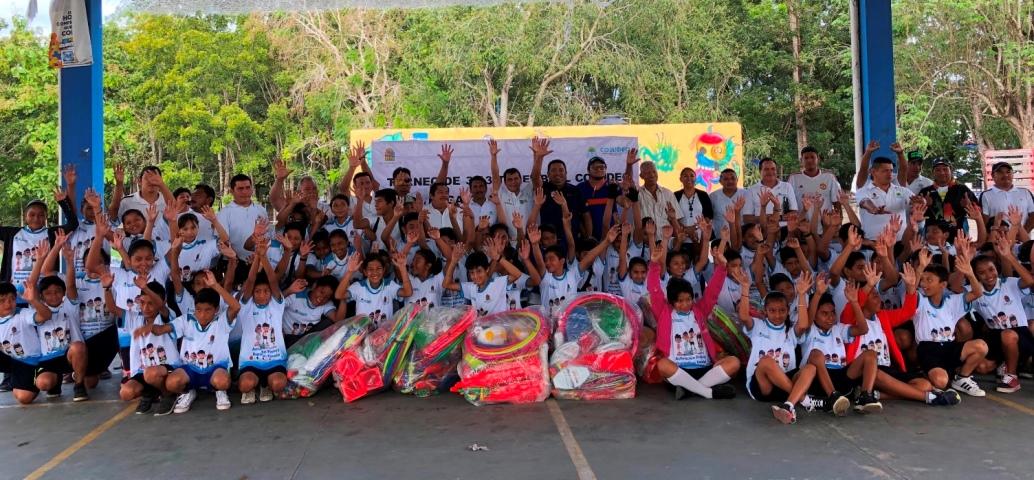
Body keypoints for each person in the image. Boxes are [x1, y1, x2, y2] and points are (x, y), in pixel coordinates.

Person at [840, 262, 963, 407]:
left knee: (924, 384)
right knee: (875, 367)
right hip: (861, 372)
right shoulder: (850, 318)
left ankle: (878, 395)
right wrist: (868, 286)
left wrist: (911, 288)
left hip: (887, 369)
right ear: (862, 300)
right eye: (873, 296)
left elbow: (908, 312)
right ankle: (930, 398)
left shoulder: (883, 316)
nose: (879, 298)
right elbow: (854, 303)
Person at [647, 236, 739, 400]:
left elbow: (712, 292)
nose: (685, 304)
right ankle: (707, 392)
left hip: (704, 367)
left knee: (734, 363)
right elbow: (654, 291)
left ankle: (689, 390)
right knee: (662, 365)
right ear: (672, 302)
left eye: (688, 299)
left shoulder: (699, 310)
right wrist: (654, 265)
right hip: (678, 369)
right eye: (680, 301)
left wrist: (722, 266)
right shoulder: (664, 312)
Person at [734, 267, 822, 425]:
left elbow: (803, 324)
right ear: (765, 311)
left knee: (811, 368)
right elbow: (743, 316)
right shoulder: (758, 327)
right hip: (763, 387)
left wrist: (801, 295)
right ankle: (805, 400)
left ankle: (788, 405)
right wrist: (745, 288)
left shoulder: (790, 331)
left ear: (788, 311)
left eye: (782, 310)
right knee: (767, 361)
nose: (777, 314)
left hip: (784, 385)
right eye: (772, 311)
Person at [913, 250, 990, 396]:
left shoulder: (952, 301)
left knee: (981, 346)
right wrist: (920, 269)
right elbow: (911, 290)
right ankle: (929, 374)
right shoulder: (920, 301)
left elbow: (977, 293)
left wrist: (969, 272)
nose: (923, 284)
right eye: (923, 280)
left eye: (929, 280)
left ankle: (962, 378)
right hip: (928, 349)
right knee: (941, 382)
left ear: (942, 285)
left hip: (950, 347)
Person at [164, 272, 241, 413]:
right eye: (199, 310)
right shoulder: (187, 319)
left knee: (222, 381)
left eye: (207, 310)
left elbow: (235, 307)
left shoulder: (222, 321)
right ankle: (188, 392)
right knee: (171, 383)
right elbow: (165, 328)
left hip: (215, 369)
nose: (202, 314)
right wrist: (150, 329)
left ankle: (220, 391)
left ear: (216, 310)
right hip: (190, 370)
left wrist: (215, 285)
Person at [238, 241, 301, 404]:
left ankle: (264, 385)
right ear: (252, 293)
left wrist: (263, 257)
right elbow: (251, 280)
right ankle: (254, 386)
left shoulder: (276, 305)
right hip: (250, 360)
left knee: (278, 384)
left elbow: (273, 280)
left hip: (275, 360)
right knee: (245, 384)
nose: (262, 294)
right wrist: (257, 258)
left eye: (266, 291)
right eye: (257, 291)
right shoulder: (246, 306)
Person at [969, 236, 1034, 393]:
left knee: (1008, 334)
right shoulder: (976, 292)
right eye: (981, 273)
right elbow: (956, 288)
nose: (988, 275)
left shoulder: (1009, 283)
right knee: (982, 367)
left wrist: (1009, 256)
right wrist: (965, 265)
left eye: (991, 269)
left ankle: (1011, 377)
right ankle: (1007, 363)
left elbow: (1030, 281)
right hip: (996, 336)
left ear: (996, 268)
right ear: (976, 275)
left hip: (1020, 335)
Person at [108, 277, 180, 416]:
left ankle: (168, 395)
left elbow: (161, 307)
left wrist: (146, 288)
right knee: (126, 393)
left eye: (151, 303)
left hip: (167, 369)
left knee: (151, 374)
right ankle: (150, 393)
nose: (146, 307)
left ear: (161, 302)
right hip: (143, 372)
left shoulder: (168, 316)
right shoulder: (134, 318)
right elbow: (112, 308)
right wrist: (107, 288)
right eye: (142, 302)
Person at [530, 137, 588, 243]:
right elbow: (535, 177)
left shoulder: (575, 190)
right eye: (553, 170)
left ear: (566, 173)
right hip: (548, 241)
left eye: (561, 170)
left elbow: (585, 215)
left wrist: (588, 236)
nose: (558, 173)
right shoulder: (543, 189)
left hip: (572, 240)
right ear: (548, 174)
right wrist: (539, 158)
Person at [0, 281, 47, 404]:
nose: (8, 304)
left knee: (23, 397)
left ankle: (38, 379)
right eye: (2, 300)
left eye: (12, 299)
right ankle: (14, 380)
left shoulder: (23, 314)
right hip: (12, 361)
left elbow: (45, 316)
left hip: (30, 362)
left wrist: (33, 301)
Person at [854, 157, 913, 241]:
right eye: (885, 171)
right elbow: (864, 202)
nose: (889, 174)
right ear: (873, 172)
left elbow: (915, 201)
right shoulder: (863, 191)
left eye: (891, 171)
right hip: (874, 243)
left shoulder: (902, 190)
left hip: (900, 242)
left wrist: (921, 202)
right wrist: (874, 209)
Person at [917, 159, 979, 232]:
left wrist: (969, 206)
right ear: (933, 173)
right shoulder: (925, 192)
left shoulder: (962, 190)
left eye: (945, 169)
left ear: (951, 171)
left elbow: (978, 211)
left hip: (959, 238)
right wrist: (924, 205)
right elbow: (916, 214)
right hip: (932, 238)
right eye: (938, 170)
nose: (942, 173)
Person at [218, 174, 269, 263]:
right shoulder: (224, 213)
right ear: (232, 191)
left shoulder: (261, 210)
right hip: (235, 263)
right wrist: (235, 259)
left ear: (252, 189)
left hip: (261, 261)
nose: (245, 192)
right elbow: (223, 241)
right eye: (240, 189)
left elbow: (267, 235)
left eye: (248, 188)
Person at [980, 162, 1034, 232]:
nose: (1005, 175)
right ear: (993, 175)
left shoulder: (1025, 193)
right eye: (1000, 172)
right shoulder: (986, 195)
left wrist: (1023, 234)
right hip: (998, 241)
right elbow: (984, 221)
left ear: (1012, 175)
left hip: (1024, 241)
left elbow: (1033, 215)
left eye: (1008, 172)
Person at [787, 146, 841, 213]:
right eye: (806, 158)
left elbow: (837, 202)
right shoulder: (794, 178)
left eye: (812, 157)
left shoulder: (829, 177)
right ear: (801, 160)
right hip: (802, 222)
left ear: (818, 159)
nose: (809, 160)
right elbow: (789, 204)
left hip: (825, 223)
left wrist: (839, 220)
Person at [743, 158, 797, 225]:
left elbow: (794, 212)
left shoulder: (787, 187)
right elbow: (746, 218)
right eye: (766, 169)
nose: (770, 172)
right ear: (760, 171)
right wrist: (770, 218)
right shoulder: (751, 190)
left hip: (784, 230)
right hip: (761, 231)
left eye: (773, 169)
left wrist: (777, 217)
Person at [636, 161, 681, 232]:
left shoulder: (668, 193)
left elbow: (677, 221)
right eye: (648, 173)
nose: (652, 175)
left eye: (654, 171)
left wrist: (673, 218)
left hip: (666, 241)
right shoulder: (637, 194)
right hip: (645, 241)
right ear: (641, 176)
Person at [675, 167, 715, 241]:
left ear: (695, 178)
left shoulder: (703, 195)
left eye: (692, 176)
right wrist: (686, 230)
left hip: (701, 236)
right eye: (685, 176)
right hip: (681, 237)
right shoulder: (675, 195)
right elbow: (673, 218)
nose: (689, 178)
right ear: (680, 179)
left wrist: (695, 228)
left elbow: (708, 216)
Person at [709, 168, 748, 235]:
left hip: (742, 236)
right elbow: (709, 217)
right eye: (726, 179)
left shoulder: (745, 194)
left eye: (733, 178)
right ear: (720, 181)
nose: (730, 181)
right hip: (721, 237)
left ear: (737, 180)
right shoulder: (713, 196)